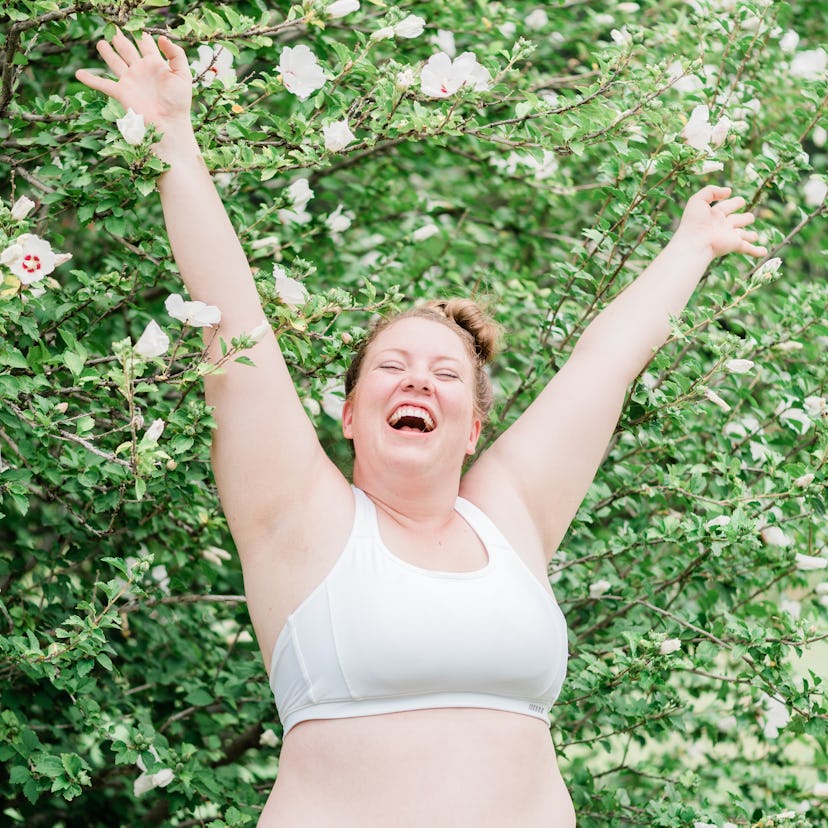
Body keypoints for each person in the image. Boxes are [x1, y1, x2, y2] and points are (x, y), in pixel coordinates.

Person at [76, 30, 767, 828]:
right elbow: (235, 320)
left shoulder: (510, 515)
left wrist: (692, 247)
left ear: (473, 428)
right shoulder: (298, 516)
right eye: (392, 366)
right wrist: (172, 137)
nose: (417, 382)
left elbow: (605, 365)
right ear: (348, 413)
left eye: (445, 374)